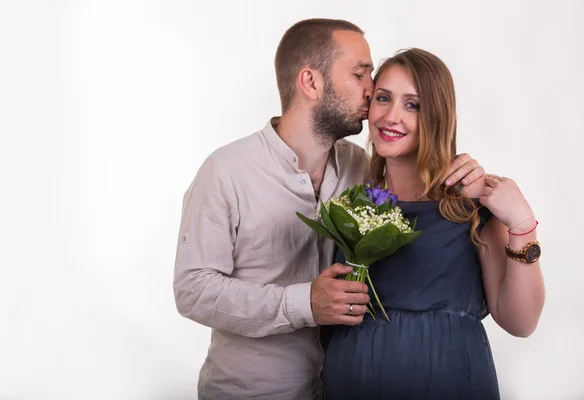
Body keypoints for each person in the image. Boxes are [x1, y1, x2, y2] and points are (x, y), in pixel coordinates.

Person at [173, 20, 486, 400]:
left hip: (339, 387)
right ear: (311, 82)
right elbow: (192, 290)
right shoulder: (226, 171)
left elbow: (420, 170)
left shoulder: (362, 167)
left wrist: (464, 170)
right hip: (253, 392)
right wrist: (305, 303)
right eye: (360, 74)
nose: (373, 91)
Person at [321, 48, 545, 399]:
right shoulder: (351, 201)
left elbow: (521, 322)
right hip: (352, 380)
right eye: (384, 98)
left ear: (437, 116)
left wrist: (522, 226)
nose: (392, 116)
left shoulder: (471, 203)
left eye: (413, 105)